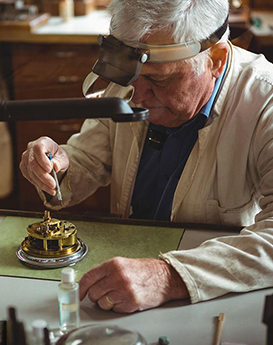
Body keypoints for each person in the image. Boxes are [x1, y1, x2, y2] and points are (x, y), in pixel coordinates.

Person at [20, 0, 273, 313]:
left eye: (159, 79)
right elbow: (87, 158)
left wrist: (170, 277)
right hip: (122, 287)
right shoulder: (132, 82)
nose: (137, 97)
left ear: (216, 60)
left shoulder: (265, 102)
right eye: (131, 76)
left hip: (209, 298)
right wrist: (57, 166)